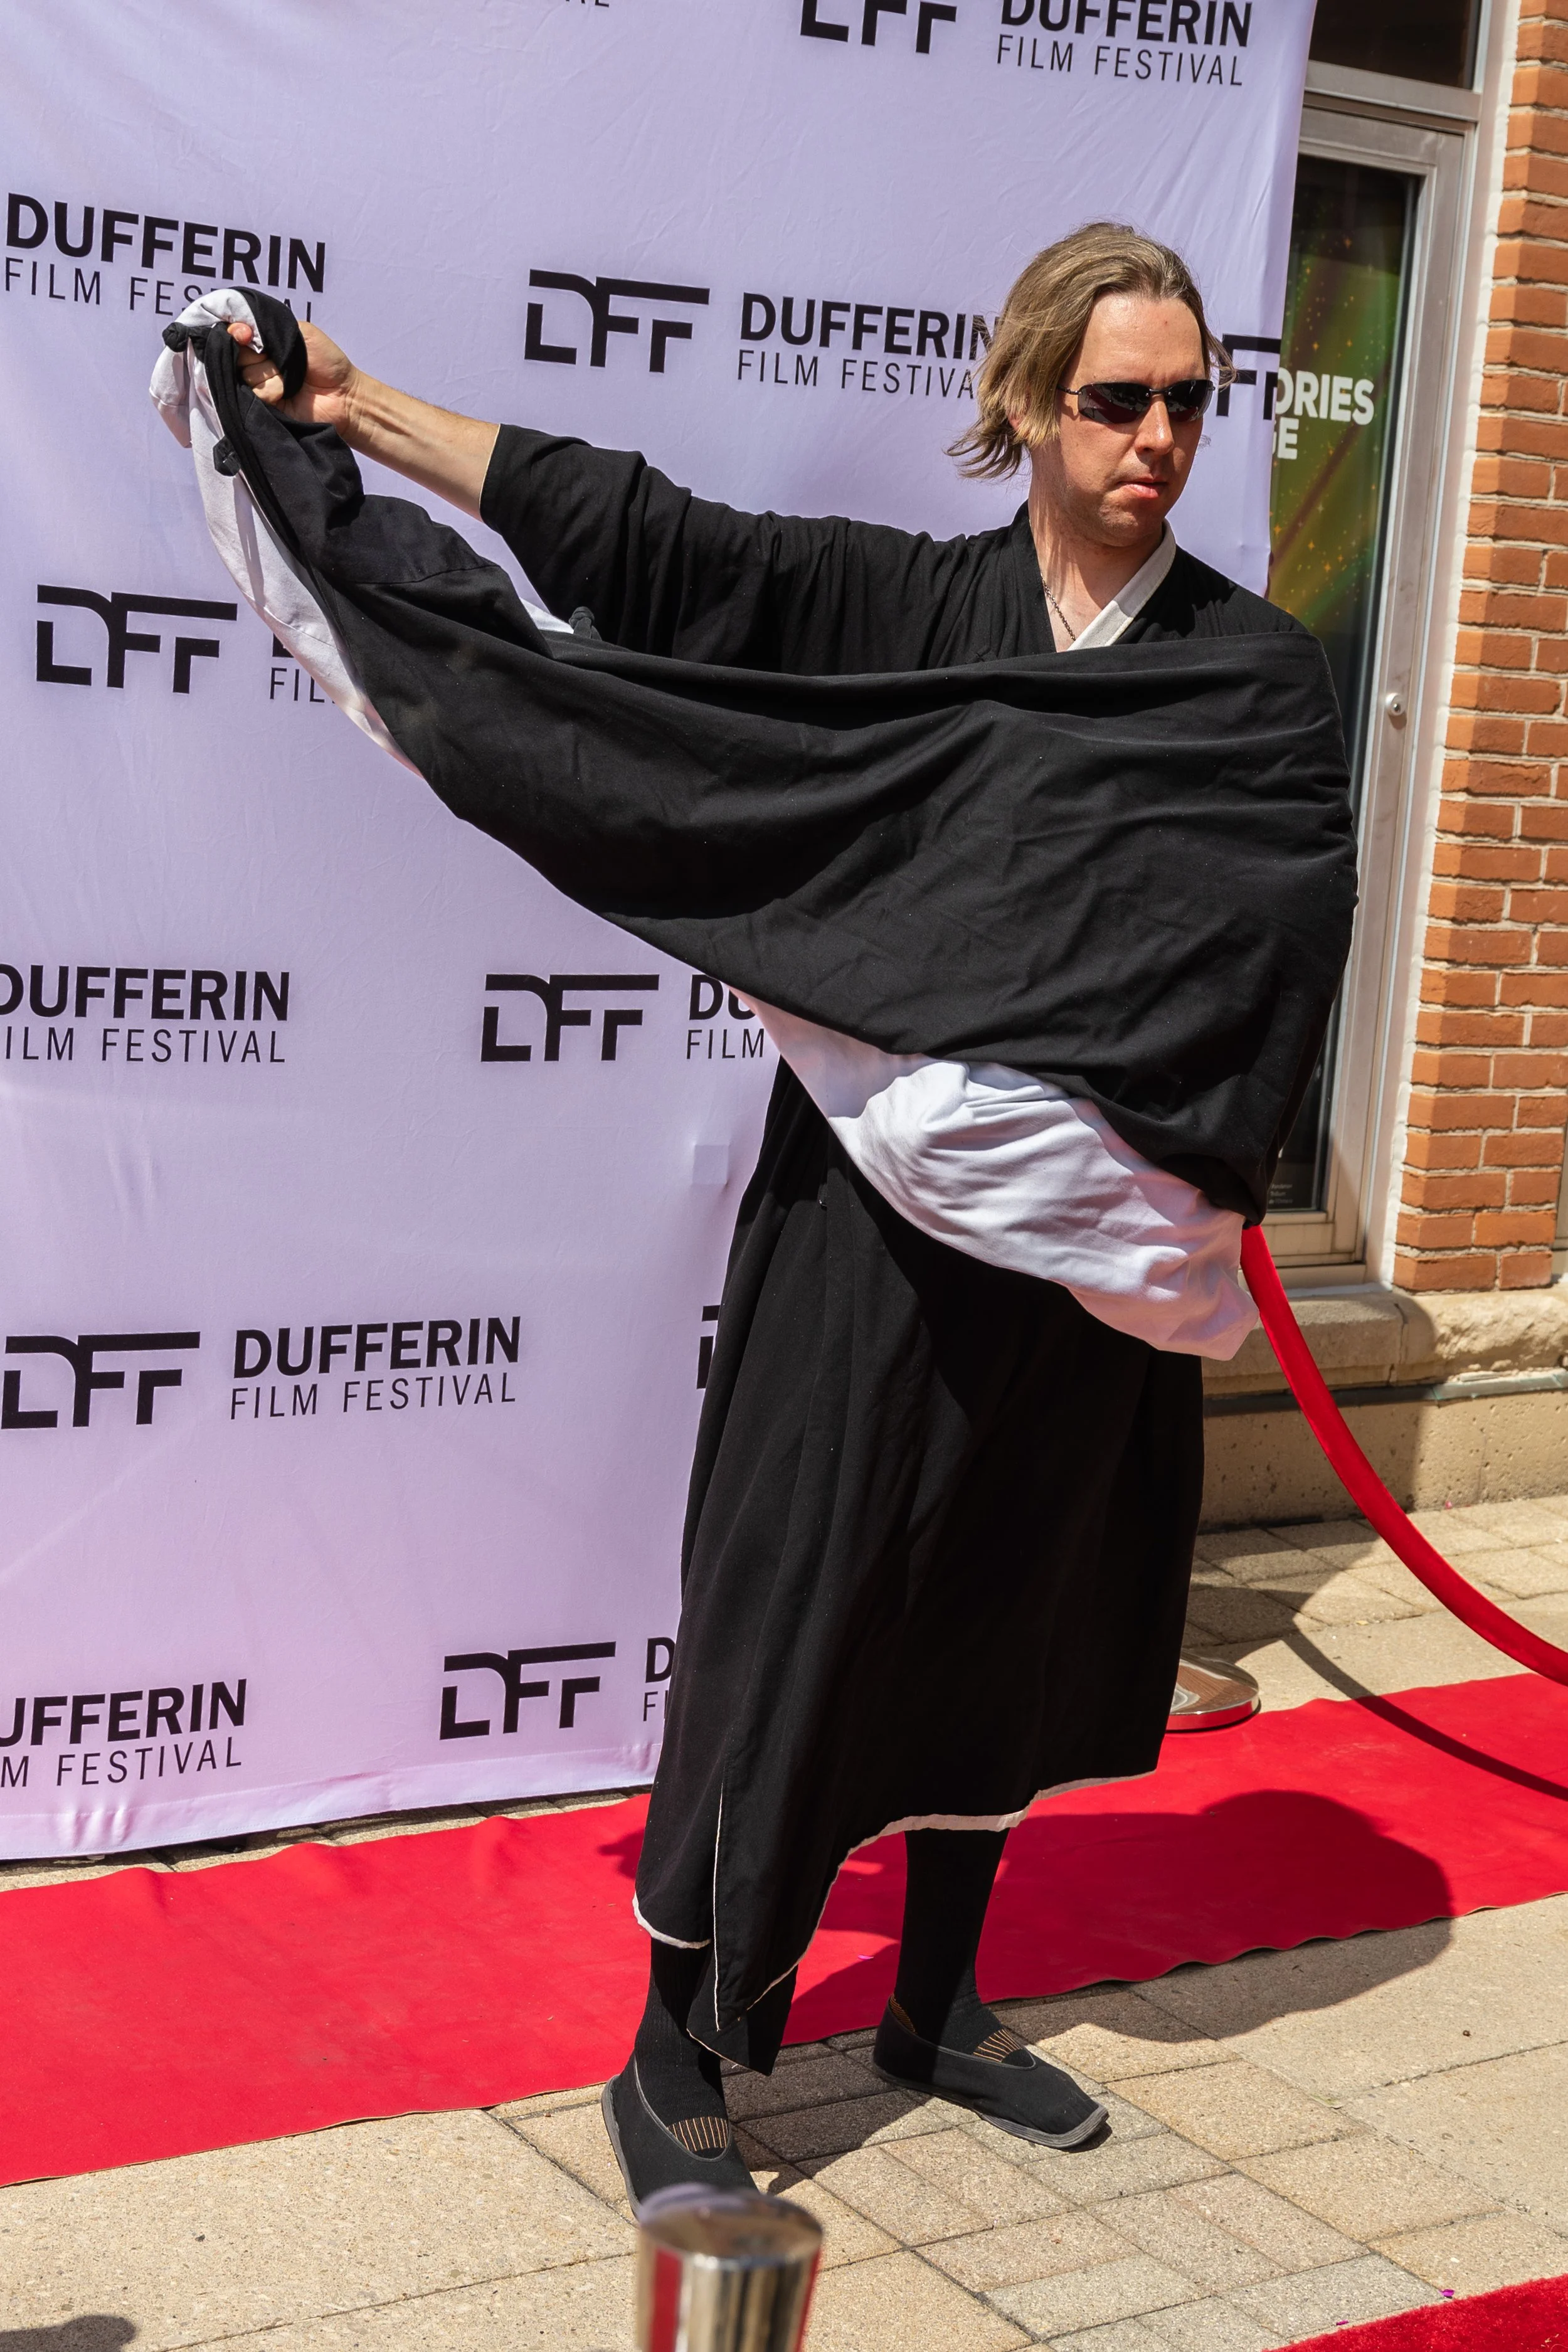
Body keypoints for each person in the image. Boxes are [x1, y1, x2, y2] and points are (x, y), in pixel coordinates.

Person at [219, 223, 1333, 2212]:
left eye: (1187, 400)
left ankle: (936, 2001)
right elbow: (652, 540)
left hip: (1093, 1244)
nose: (1157, 437)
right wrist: (354, 406)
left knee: (1018, 1593)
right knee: (795, 1594)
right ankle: (674, 2046)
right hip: (869, 1230)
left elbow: (1266, 931)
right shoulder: (902, 610)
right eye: (1114, 400)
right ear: (1025, 402)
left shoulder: (1241, 679)